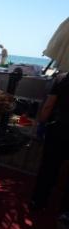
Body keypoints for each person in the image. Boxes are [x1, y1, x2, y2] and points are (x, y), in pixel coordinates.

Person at [30, 71, 69, 212]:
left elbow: (48, 106)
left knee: (48, 168)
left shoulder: (62, 78)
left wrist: (41, 124)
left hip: (59, 129)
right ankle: (65, 212)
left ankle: (38, 202)